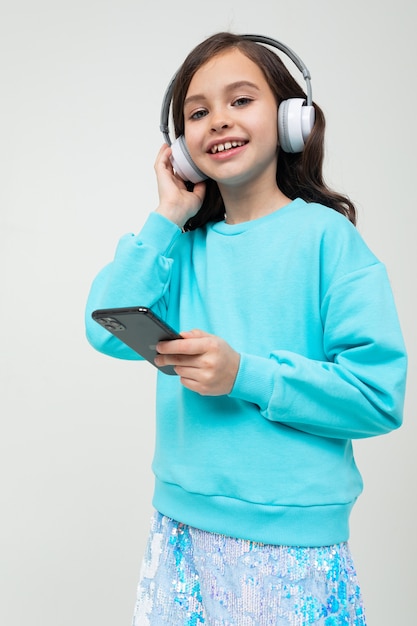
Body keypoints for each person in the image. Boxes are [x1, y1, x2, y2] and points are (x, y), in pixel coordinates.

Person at [85, 32, 407, 625]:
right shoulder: (177, 248)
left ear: (291, 119)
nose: (218, 122)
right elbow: (106, 326)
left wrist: (244, 374)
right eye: (198, 112)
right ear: (180, 148)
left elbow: (377, 399)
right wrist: (166, 215)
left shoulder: (328, 240)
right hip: (180, 536)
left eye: (240, 100)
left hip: (295, 551)